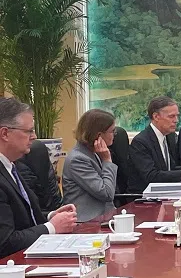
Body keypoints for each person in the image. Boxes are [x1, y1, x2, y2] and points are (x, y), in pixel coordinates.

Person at [0, 98, 77, 258]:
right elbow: (5, 242)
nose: (34, 136)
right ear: (5, 133)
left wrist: (50, 216)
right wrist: (52, 227)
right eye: (28, 131)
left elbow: (22, 218)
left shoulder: (13, 166)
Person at [128, 96, 181, 193]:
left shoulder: (170, 137)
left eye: (177, 116)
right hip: (145, 198)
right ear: (156, 116)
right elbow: (151, 176)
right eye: (171, 116)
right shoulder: (141, 142)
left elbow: (170, 168)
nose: (176, 120)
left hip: (167, 192)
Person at [62, 109, 119, 222]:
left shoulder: (92, 152)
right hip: (87, 223)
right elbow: (106, 193)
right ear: (98, 135)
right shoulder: (78, 159)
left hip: (104, 218)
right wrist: (107, 161)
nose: (115, 135)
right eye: (112, 131)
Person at [15, 139, 63, 215]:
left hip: (48, 214)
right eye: (29, 131)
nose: (34, 136)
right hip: (36, 219)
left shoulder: (36, 150)